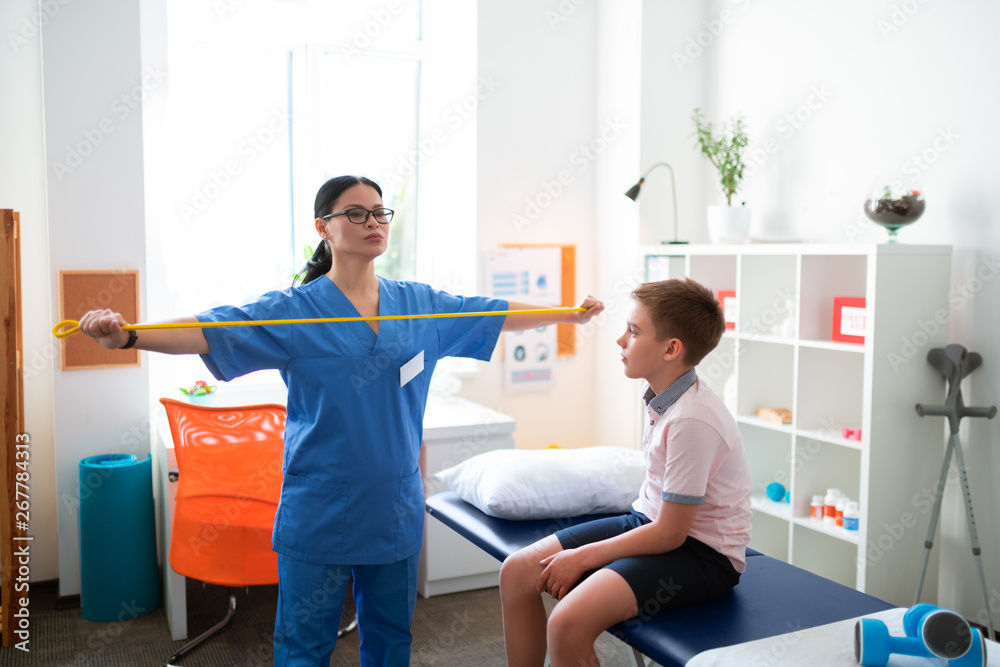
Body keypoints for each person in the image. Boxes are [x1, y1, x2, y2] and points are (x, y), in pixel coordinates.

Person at [77, 174, 604, 667]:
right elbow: (208, 330)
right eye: (356, 213)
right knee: (305, 644)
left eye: (380, 212)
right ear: (323, 228)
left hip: (393, 506)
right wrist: (126, 336)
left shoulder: (418, 306)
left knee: (391, 638)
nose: (373, 222)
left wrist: (566, 315)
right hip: (320, 509)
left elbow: (491, 312)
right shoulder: (295, 311)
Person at [498, 277, 751, 667]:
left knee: (567, 623)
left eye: (633, 332)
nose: (620, 341)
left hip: (703, 555)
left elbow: (671, 534)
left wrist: (582, 557)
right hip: (649, 523)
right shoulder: (664, 396)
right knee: (517, 571)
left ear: (671, 349)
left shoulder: (693, 420)